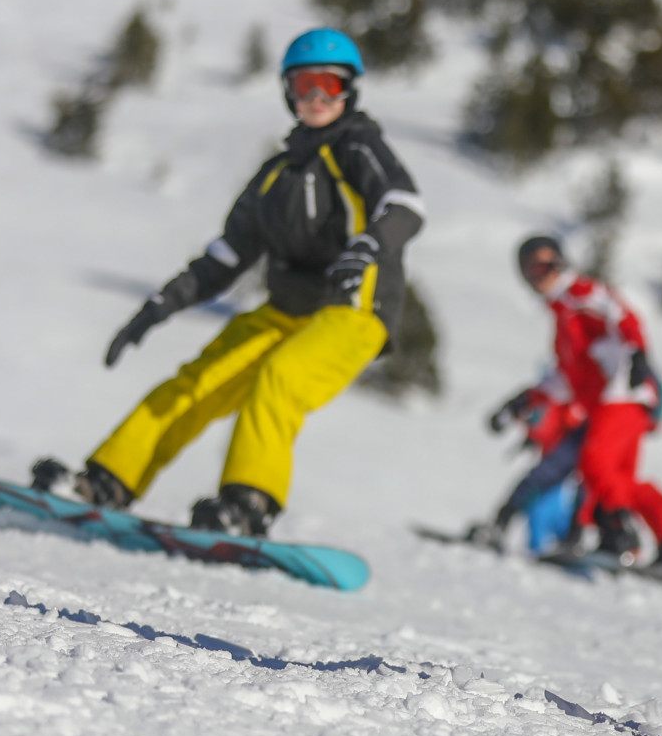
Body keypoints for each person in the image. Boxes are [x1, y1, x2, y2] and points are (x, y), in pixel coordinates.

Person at [31, 29, 424, 536]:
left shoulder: (358, 148)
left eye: (329, 85)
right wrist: (161, 304)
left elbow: (406, 206)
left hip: (352, 310)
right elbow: (228, 254)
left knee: (279, 378)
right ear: (288, 92)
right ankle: (105, 483)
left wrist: (369, 245)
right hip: (285, 310)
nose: (317, 98)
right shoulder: (275, 175)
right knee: (196, 384)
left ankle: (248, 507)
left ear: (350, 91)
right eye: (304, 85)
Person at [509, 236, 662, 575]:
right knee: (618, 479)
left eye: (549, 264)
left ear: (562, 262)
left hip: (622, 395)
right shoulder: (563, 315)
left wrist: (638, 353)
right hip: (614, 400)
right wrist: (525, 400)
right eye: (533, 268)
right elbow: (567, 378)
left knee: (595, 463)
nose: (543, 274)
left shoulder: (579, 294)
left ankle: (619, 537)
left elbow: (622, 315)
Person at [464, 383, 590, 554]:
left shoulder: (555, 397)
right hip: (565, 447)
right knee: (539, 489)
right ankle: (501, 525)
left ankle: (577, 539)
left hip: (583, 441)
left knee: (585, 489)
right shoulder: (541, 397)